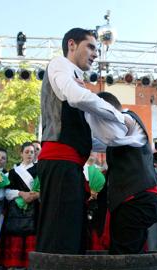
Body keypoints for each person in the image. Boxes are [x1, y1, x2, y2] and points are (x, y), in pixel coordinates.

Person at [37, 28, 125, 254]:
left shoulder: (76, 78)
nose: (96, 54)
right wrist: (119, 116)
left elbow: (85, 136)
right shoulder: (60, 64)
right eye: (91, 47)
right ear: (72, 45)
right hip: (60, 163)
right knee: (59, 236)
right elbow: (76, 98)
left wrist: (125, 142)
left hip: (70, 165)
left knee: (71, 233)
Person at [85, 91, 157, 256]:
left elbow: (112, 134)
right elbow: (98, 143)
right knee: (131, 252)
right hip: (135, 199)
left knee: (125, 253)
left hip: (137, 198)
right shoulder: (120, 136)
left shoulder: (128, 119)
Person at [0, 142, 40, 270]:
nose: (29, 154)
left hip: (34, 214)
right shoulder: (13, 173)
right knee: (13, 251)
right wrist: (21, 193)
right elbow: (7, 192)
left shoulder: (40, 170)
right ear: (21, 153)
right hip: (15, 215)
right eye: (26, 152)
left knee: (30, 250)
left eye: (32, 152)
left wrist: (36, 195)